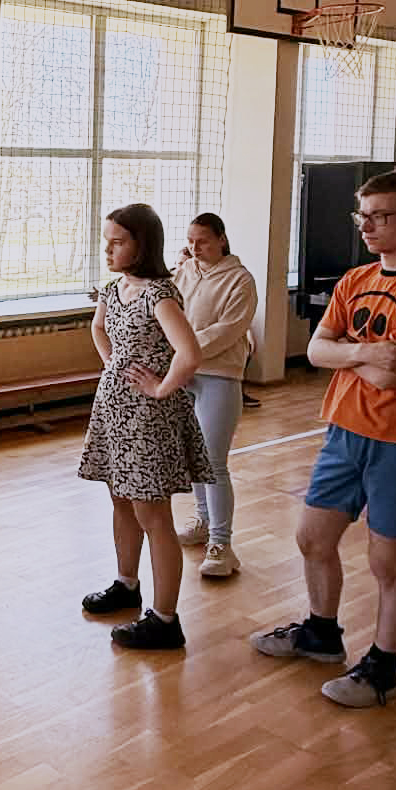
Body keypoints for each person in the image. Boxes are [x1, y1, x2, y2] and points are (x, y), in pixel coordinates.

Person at [251, 168, 396, 709]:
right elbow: (316, 350)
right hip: (343, 432)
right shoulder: (354, 279)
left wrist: (344, 351)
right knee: (312, 539)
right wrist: (365, 352)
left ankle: (383, 670)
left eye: (379, 216)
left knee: (388, 563)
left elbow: (392, 376)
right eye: (361, 216)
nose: (366, 226)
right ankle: (321, 634)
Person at [78, 203, 212, 651]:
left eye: (117, 242)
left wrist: (160, 388)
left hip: (148, 419)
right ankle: (126, 584)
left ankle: (166, 619)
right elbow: (98, 329)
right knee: (120, 499)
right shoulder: (113, 289)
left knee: (153, 514)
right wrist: (113, 365)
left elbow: (189, 354)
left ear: (142, 244)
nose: (108, 250)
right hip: (114, 410)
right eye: (107, 241)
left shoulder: (159, 294)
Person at [173, 212, 259, 579]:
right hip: (184, 372)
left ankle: (222, 545)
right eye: (191, 241)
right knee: (194, 456)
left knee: (212, 461)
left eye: (203, 241)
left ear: (221, 239)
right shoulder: (184, 271)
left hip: (219, 376)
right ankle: (203, 521)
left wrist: (184, 347)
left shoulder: (241, 280)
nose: (195, 247)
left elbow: (228, 330)